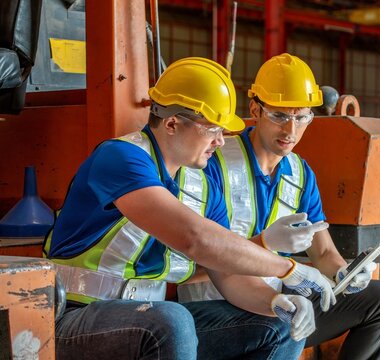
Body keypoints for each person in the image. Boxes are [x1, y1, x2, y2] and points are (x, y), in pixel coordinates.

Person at [44, 57, 336, 360]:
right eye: (212, 130)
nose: (221, 142)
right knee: (173, 320)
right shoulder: (120, 158)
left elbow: (226, 272)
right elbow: (195, 238)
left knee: (276, 326)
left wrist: (275, 301)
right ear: (172, 123)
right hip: (75, 317)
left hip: (149, 317)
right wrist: (290, 269)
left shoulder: (204, 186)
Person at [178, 53, 380, 360]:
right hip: (216, 309)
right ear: (255, 109)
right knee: (281, 325)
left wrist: (344, 274)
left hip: (277, 301)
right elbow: (191, 265)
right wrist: (265, 246)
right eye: (280, 116)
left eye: (302, 118)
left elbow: (323, 253)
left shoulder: (299, 173)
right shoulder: (211, 165)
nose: (291, 131)